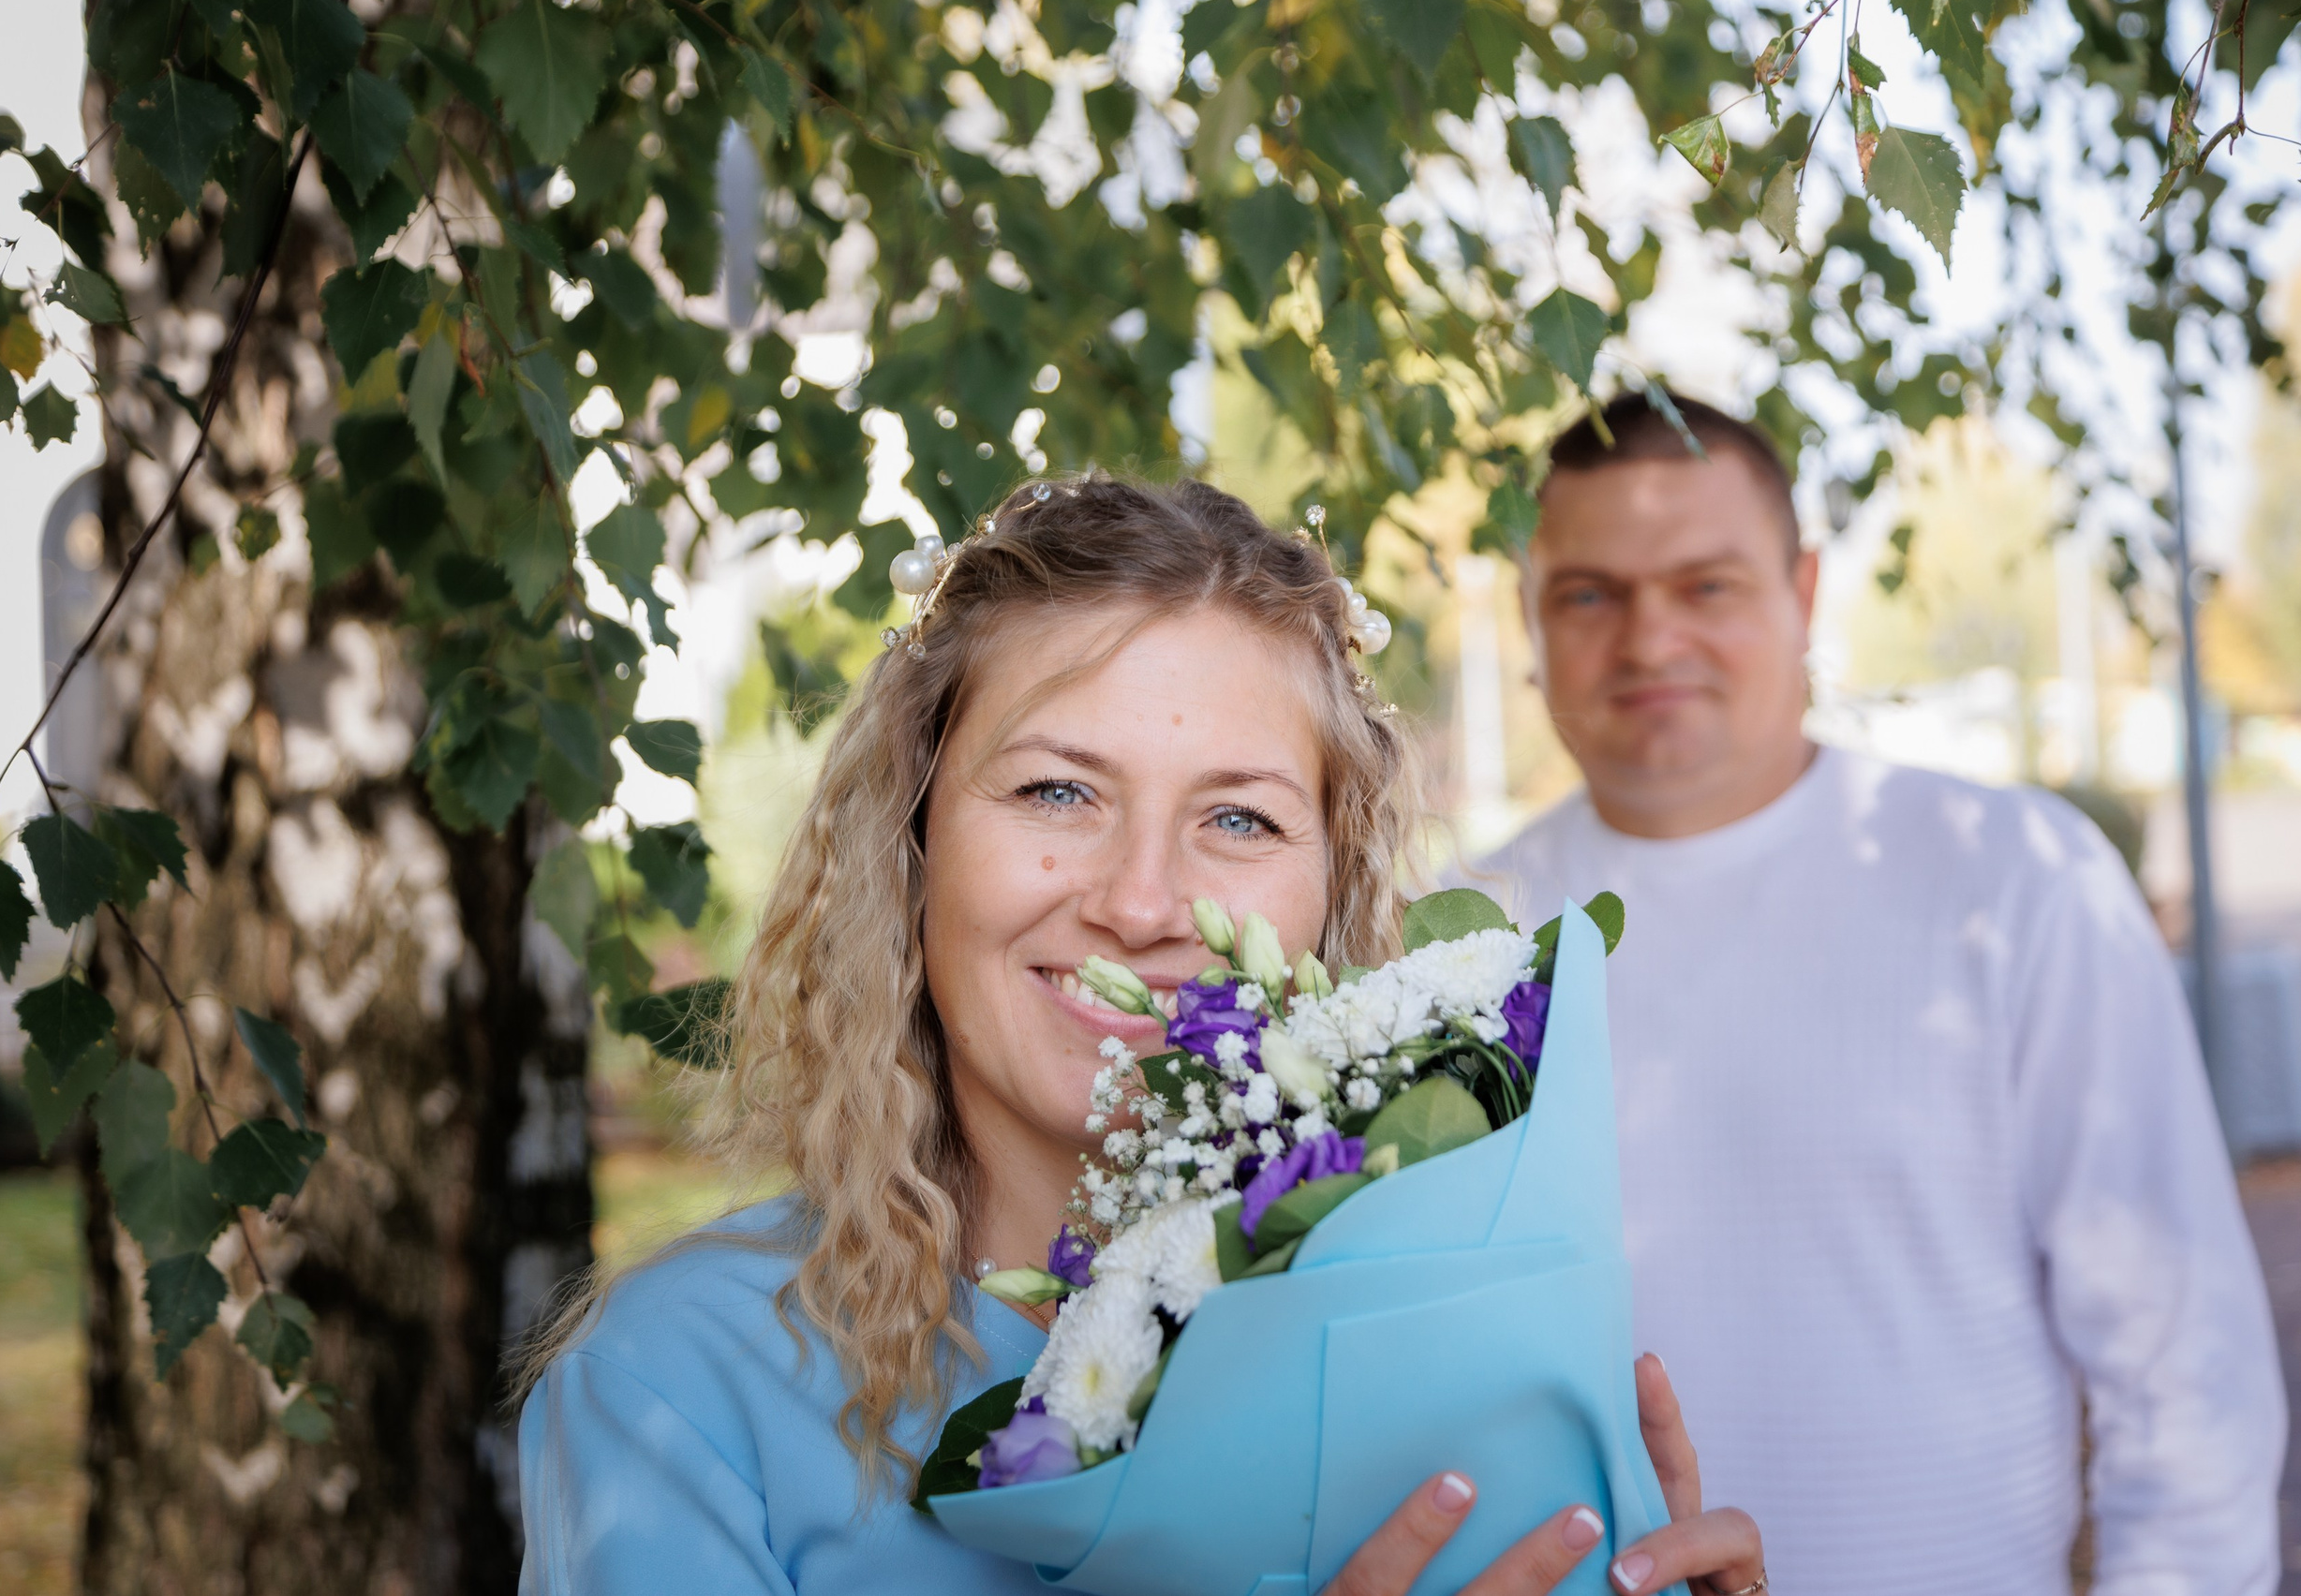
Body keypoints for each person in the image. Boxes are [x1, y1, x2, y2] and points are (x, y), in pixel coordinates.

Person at [512, 477, 1766, 1596]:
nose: (1145, 901)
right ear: (912, 842)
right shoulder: (683, 1388)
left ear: (1333, 888)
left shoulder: (1451, 1331)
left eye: (1238, 818)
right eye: (1059, 790)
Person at [1469, 392, 2286, 1595]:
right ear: (1531, 617)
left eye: (1705, 585)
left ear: (1801, 593)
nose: (1647, 642)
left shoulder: (2012, 879)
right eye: (1589, 593)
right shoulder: (1457, 939)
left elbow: (2182, 1371)